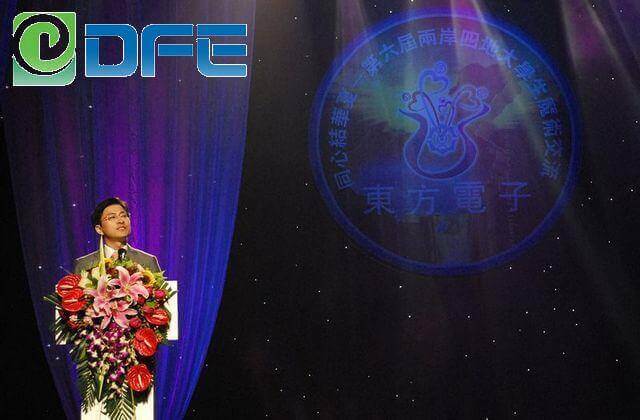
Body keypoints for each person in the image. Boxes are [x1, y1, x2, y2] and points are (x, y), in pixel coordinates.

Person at [73, 197, 160, 274]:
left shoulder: (148, 261)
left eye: (123, 215)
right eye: (112, 217)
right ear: (99, 229)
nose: (121, 221)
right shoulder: (84, 264)